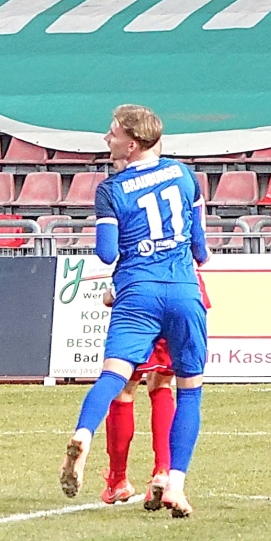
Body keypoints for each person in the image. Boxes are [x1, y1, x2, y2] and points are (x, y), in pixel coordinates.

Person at [61, 104, 208, 517]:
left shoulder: (111, 188)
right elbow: (201, 248)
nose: (106, 139)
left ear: (133, 141)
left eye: (112, 133)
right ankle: (173, 481)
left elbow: (107, 253)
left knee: (115, 377)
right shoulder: (184, 175)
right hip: (183, 290)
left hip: (137, 292)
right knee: (185, 387)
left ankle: (84, 436)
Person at [99, 335, 176, 509]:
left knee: (124, 388)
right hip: (180, 311)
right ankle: (163, 470)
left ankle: (117, 480)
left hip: (138, 315)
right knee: (161, 383)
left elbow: (109, 304)